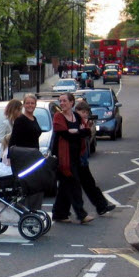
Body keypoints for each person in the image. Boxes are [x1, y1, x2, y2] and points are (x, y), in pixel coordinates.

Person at [51, 92, 93, 224]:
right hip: (64, 159)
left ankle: (59, 213)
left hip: (76, 157)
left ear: (71, 103)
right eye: (60, 101)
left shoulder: (76, 116)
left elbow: (87, 131)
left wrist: (77, 132)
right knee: (74, 185)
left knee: (65, 186)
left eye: (64, 101)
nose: (62, 103)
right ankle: (81, 214)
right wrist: (77, 132)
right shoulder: (58, 117)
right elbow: (65, 134)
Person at [75, 100, 116, 216]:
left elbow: (88, 138)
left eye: (86, 113)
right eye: (82, 112)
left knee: (88, 184)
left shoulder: (84, 122)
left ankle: (101, 206)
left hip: (82, 159)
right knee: (74, 187)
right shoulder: (76, 122)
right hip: (77, 159)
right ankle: (100, 206)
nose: (84, 115)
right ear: (77, 111)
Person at [9, 93, 44, 211]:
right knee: (29, 185)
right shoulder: (20, 120)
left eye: (32, 103)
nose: (30, 105)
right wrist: (10, 157)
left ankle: (33, 210)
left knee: (37, 185)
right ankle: (24, 209)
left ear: (35, 105)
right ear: (24, 104)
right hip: (24, 157)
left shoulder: (35, 119)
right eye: (27, 103)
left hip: (34, 156)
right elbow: (13, 139)